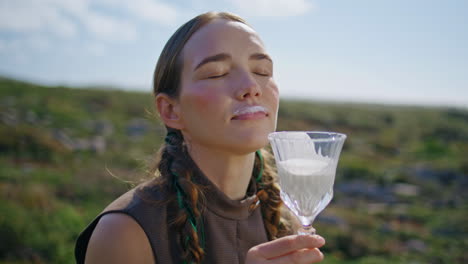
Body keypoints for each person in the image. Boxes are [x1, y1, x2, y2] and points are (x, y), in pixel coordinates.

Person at [75, 11, 325, 264]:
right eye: (217, 73)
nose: (251, 86)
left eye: (262, 70)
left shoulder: (285, 218)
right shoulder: (124, 233)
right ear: (171, 110)